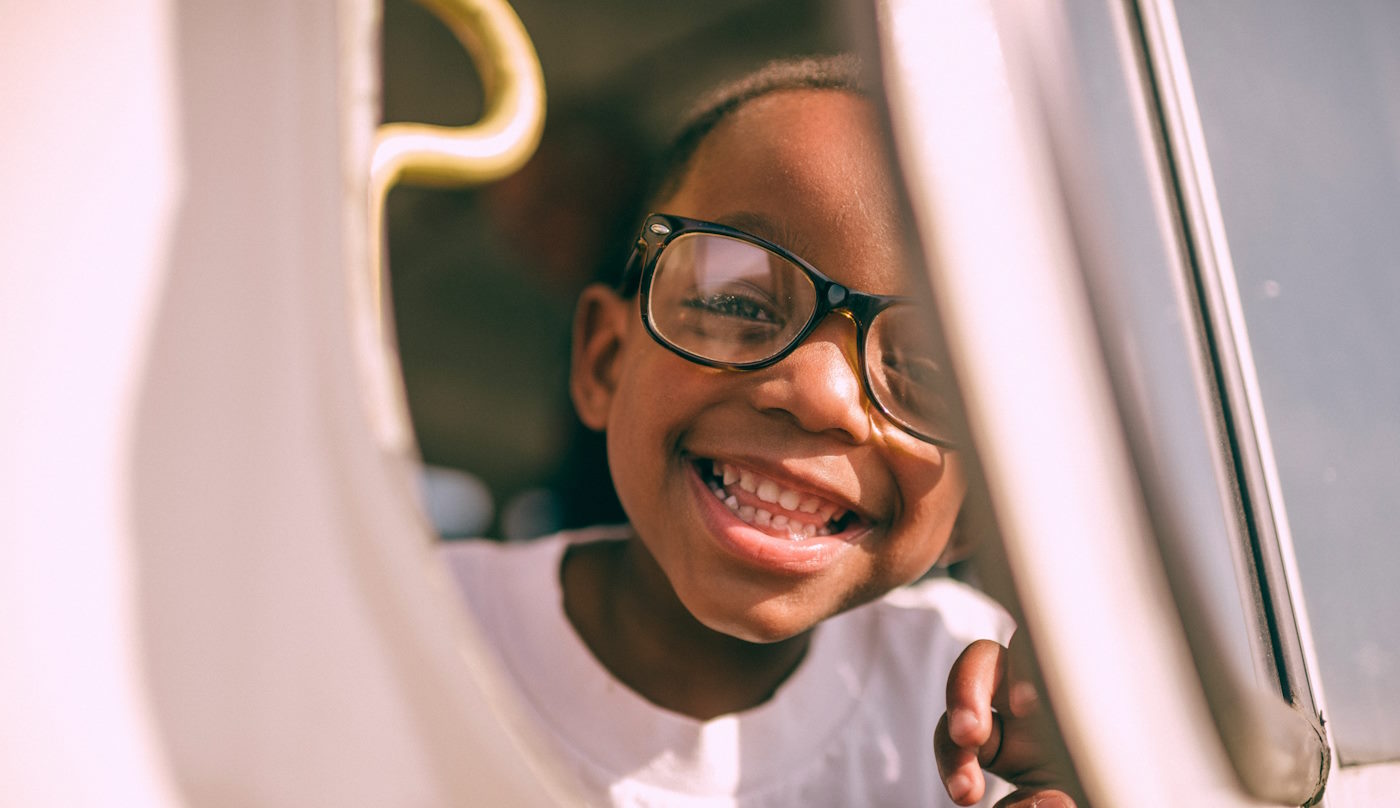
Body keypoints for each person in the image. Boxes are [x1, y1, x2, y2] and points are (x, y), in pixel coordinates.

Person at [442, 55, 1077, 807]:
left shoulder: (988, 711)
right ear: (605, 362)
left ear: (981, 505)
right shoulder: (410, 619)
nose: (821, 396)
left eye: (930, 372)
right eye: (740, 304)